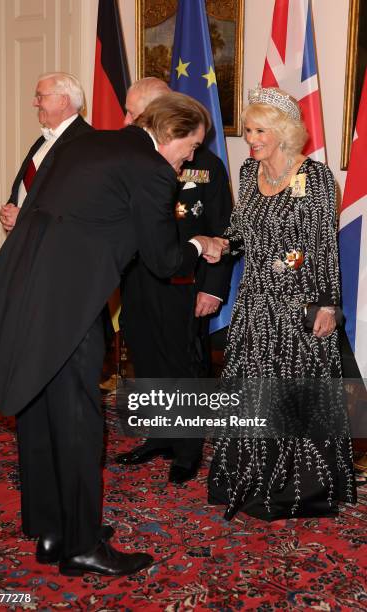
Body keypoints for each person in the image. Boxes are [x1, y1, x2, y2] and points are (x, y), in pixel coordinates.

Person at [0, 92, 227, 576]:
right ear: (171, 132)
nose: (191, 157)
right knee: (80, 424)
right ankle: (82, 546)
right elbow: (164, 261)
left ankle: (49, 529)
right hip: (70, 309)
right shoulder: (151, 168)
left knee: (36, 411)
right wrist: (201, 242)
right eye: (191, 146)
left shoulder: (84, 143)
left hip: (21, 294)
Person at [208, 85, 357, 521]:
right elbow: (240, 232)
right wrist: (219, 242)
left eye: (258, 130)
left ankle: (300, 489)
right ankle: (247, 478)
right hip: (256, 305)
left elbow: (322, 246)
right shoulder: (248, 177)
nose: (250, 138)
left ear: (284, 132)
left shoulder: (314, 178)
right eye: (249, 130)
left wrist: (328, 305)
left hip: (299, 310)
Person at [116, 78, 233, 485]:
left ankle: (187, 448)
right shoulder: (132, 163)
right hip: (137, 278)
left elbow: (223, 231)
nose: (129, 120)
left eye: (136, 112)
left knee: (184, 365)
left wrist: (212, 287)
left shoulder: (207, 166)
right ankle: (160, 435)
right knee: (146, 359)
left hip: (186, 281)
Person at [0, 72, 93, 232]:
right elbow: (28, 188)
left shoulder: (88, 142)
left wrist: (24, 217)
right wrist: (10, 211)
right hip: (26, 242)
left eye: (40, 96)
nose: (35, 103)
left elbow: (76, 203)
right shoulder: (43, 140)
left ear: (63, 101)